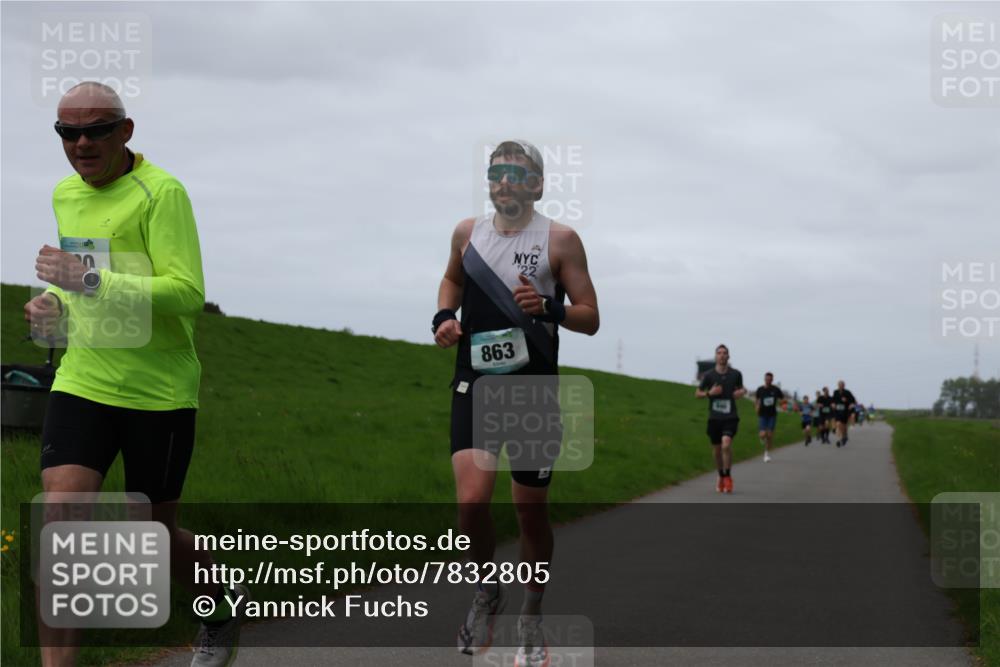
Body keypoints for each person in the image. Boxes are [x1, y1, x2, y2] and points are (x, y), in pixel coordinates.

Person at [24, 82, 245, 667]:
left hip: (158, 392)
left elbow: (186, 293)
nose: (81, 143)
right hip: (84, 380)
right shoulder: (65, 194)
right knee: (60, 526)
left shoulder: (161, 192)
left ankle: (218, 601)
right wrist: (53, 305)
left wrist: (88, 281)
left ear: (125, 131)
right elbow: (80, 274)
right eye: (67, 132)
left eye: (96, 129)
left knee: (149, 530)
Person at [433, 140, 599, 667]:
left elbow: (591, 316)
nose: (504, 180)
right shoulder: (467, 233)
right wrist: (443, 319)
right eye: (496, 172)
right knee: (472, 502)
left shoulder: (562, 240)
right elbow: (451, 281)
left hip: (532, 391)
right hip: (475, 384)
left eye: (516, 172)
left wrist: (550, 307)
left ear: (538, 185)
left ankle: (530, 614)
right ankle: (485, 593)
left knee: (531, 513)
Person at [695, 345, 747, 493]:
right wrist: (709, 393)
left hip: (730, 416)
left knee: (726, 444)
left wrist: (741, 392)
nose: (722, 356)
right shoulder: (709, 375)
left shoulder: (736, 374)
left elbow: (742, 388)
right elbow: (697, 393)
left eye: (725, 353)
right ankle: (720, 475)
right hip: (714, 418)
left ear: (728, 357)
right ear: (716, 356)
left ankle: (728, 477)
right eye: (719, 353)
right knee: (717, 450)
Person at [754, 372, 784, 462]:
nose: (768, 380)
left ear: (772, 380)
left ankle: (766, 454)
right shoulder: (760, 389)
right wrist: (756, 407)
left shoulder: (775, 389)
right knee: (763, 434)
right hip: (762, 414)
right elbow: (756, 400)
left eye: (770, 379)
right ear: (764, 379)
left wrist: (782, 403)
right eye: (767, 379)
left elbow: (782, 398)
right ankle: (762, 438)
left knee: (770, 435)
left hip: (772, 415)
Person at [832, 380, 857, 447]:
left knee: (844, 426)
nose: (840, 386)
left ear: (844, 385)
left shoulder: (847, 392)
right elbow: (833, 400)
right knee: (838, 424)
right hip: (837, 411)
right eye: (839, 385)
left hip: (845, 412)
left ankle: (845, 436)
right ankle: (839, 440)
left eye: (842, 385)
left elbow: (853, 401)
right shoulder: (835, 392)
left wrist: (847, 401)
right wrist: (833, 404)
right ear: (838, 385)